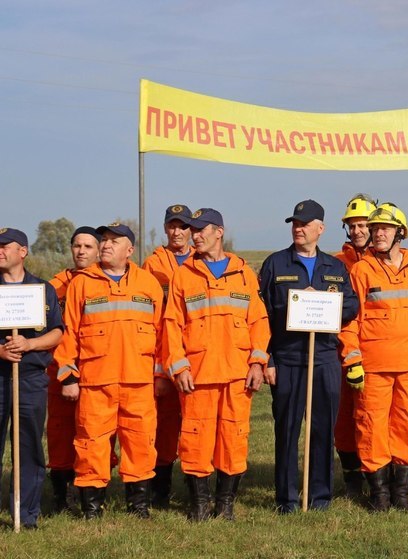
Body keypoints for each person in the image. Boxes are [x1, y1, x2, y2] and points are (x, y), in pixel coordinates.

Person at [163, 208, 270, 521]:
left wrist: (258, 363)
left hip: (238, 375)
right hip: (198, 375)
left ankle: (225, 506)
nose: (196, 236)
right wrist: (179, 367)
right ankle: (199, 506)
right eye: (193, 231)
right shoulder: (184, 275)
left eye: (201, 230)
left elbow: (259, 322)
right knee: (195, 441)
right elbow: (171, 324)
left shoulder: (243, 273)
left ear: (219, 232)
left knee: (234, 440)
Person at [340, 203, 408, 512]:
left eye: (384, 229)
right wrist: (353, 360)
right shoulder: (362, 270)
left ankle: (401, 495)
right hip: (373, 367)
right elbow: (350, 321)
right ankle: (379, 496)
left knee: (407, 426)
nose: (377, 234)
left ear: (401, 232)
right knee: (371, 427)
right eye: (374, 229)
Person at [54, 223, 162, 519]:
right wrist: (68, 376)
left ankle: (139, 505)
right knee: (92, 444)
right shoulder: (83, 283)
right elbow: (69, 334)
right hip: (95, 383)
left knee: (140, 443)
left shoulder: (148, 284)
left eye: (114, 241)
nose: (106, 245)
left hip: (138, 383)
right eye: (104, 240)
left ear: (130, 250)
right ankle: (92, 508)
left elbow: (163, 334)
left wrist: (161, 376)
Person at [259, 200, 358, 513]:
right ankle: (287, 499)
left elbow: (352, 307)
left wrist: (328, 305)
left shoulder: (335, 267)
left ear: (320, 229)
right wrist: (269, 360)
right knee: (287, 430)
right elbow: (261, 316)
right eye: (294, 223)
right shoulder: (276, 264)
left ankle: (319, 497)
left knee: (322, 429)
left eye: (304, 223)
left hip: (325, 358)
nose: (298, 228)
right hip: (288, 359)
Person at [0, 228, 64, 529]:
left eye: (5, 246)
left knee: (28, 446)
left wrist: (29, 344)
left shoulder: (43, 289)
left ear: (22, 251)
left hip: (30, 379)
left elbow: (57, 332)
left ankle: (25, 514)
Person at [47, 226, 103, 513]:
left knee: (93, 436)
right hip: (59, 372)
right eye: (77, 246)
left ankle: (90, 493)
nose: (81, 251)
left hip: (97, 372)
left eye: (88, 247)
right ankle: (61, 496)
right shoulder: (55, 285)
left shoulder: (107, 284)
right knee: (60, 434)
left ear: (99, 250)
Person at [142, 204, 194, 508]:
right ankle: (160, 489)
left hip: (197, 351)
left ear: (191, 230)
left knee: (194, 423)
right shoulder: (153, 265)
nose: (177, 232)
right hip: (164, 347)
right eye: (172, 226)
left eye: (183, 226)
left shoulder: (202, 261)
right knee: (163, 424)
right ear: (165, 229)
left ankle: (193, 486)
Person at [334, 193, 377, 498]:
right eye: (353, 225)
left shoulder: (388, 261)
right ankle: (352, 480)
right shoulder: (334, 263)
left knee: (375, 417)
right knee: (344, 419)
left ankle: (377, 474)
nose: (359, 231)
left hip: (377, 352)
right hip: (339, 351)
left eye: (363, 224)